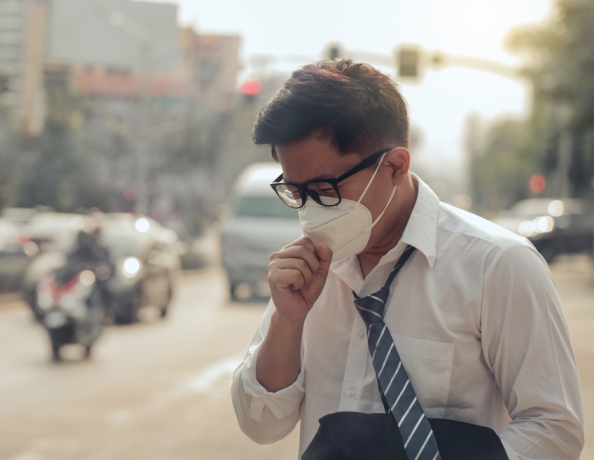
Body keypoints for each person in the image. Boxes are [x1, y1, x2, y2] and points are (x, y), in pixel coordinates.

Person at [231, 60, 584, 459]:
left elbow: (554, 429)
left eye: (324, 188)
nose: (311, 211)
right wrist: (287, 320)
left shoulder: (497, 266)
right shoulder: (306, 270)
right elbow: (261, 425)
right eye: (296, 192)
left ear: (396, 166)